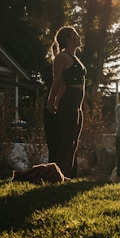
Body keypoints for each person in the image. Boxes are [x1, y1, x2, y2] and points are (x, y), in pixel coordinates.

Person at [46, 26, 86, 178]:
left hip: (77, 103)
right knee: (67, 140)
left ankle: (68, 175)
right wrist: (51, 101)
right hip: (69, 101)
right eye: (75, 35)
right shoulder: (62, 57)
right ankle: (57, 175)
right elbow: (57, 81)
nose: (79, 37)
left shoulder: (75, 58)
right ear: (68, 39)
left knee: (74, 141)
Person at [41, 43, 60, 163]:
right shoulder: (48, 69)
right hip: (51, 102)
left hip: (61, 103)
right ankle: (53, 164)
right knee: (52, 138)